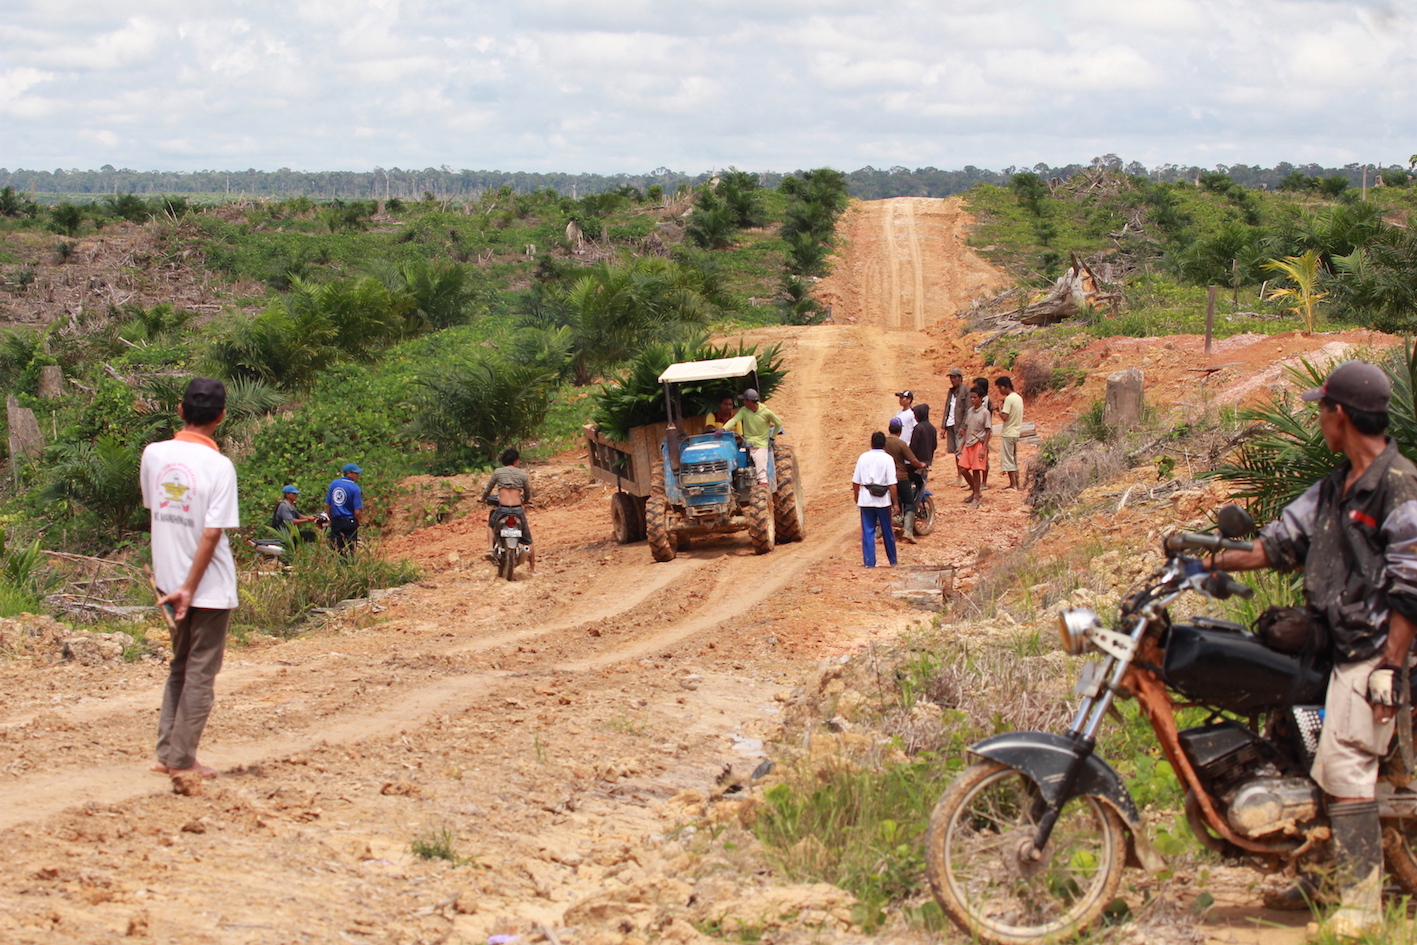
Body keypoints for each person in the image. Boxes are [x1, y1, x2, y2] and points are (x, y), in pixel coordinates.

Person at [1209, 361, 1417, 938]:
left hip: (1372, 646)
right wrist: (1201, 561)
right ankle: (1318, 875)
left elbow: (1412, 583)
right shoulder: (1334, 486)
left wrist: (1391, 666)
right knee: (1297, 750)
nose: (1319, 418)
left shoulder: (1397, 485)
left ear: (1340, 415)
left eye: (1322, 409)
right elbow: (1273, 544)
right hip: (1330, 641)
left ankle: (1360, 904)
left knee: (1346, 762)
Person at [139, 377, 239, 783]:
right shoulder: (219, 466)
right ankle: (183, 760)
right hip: (208, 588)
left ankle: (167, 753)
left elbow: (156, 510)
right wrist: (191, 589)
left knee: (179, 667)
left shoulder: (153, 455)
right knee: (201, 672)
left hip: (168, 580)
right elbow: (212, 533)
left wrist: (176, 586)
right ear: (221, 417)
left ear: (179, 411)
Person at [482, 447, 536, 576]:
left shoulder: (498, 472)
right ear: (516, 461)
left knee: (491, 525)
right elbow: (527, 492)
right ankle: (533, 569)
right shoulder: (522, 474)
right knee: (528, 540)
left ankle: (490, 548)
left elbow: (488, 489)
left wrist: (482, 498)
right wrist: (526, 501)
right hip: (517, 509)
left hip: (502, 509)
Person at [851, 431, 898, 568]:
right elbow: (892, 484)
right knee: (887, 529)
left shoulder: (863, 457)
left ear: (871, 443)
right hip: (883, 500)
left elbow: (855, 481)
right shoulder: (888, 459)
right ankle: (893, 561)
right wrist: (895, 503)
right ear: (884, 444)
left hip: (866, 498)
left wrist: (856, 496)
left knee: (868, 531)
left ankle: (869, 562)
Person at [723, 388, 784, 485]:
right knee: (738, 462)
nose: (743, 402)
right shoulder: (744, 410)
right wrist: (723, 429)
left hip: (760, 444)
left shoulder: (766, 412)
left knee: (761, 471)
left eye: (744, 400)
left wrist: (772, 438)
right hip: (747, 444)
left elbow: (778, 423)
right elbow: (734, 420)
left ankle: (763, 485)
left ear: (749, 401)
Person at [884, 417, 926, 542]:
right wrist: (921, 465)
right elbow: (912, 460)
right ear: (900, 431)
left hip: (886, 478)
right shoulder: (901, 444)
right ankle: (908, 531)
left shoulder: (883, 442)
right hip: (900, 477)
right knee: (909, 503)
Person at [958, 387, 991, 504]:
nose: (972, 400)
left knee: (976, 470)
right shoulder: (970, 411)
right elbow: (967, 428)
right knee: (963, 469)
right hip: (968, 443)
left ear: (981, 398)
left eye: (975, 397)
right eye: (971, 397)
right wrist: (961, 445)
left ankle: (976, 496)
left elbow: (988, 431)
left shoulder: (985, 413)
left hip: (978, 444)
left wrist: (984, 448)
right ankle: (975, 491)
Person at [326, 463, 364, 555]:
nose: (357, 475)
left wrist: (331, 518)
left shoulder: (334, 484)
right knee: (351, 548)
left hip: (336, 521)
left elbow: (327, 504)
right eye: (355, 473)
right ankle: (349, 565)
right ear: (349, 473)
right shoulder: (355, 488)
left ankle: (337, 566)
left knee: (336, 548)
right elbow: (357, 511)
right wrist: (358, 521)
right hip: (349, 521)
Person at [995, 377, 1025, 491]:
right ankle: (1017, 483)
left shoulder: (1008, 399)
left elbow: (1004, 417)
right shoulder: (1018, 398)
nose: (999, 391)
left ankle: (1013, 484)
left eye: (999, 388)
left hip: (1008, 432)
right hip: (1016, 431)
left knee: (1008, 459)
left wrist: (999, 407)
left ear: (1004, 386)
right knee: (1014, 458)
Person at [942, 369, 968, 485]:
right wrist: (943, 426)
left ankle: (964, 477)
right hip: (950, 424)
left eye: (954, 377)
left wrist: (963, 426)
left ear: (960, 378)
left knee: (960, 451)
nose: (952, 380)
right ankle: (959, 476)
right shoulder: (951, 392)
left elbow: (968, 410)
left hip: (959, 426)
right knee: (955, 452)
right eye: (951, 378)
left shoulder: (966, 391)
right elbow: (947, 409)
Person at [973, 377, 994, 490]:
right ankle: (978, 481)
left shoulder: (986, 401)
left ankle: (984, 482)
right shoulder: (978, 400)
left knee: (984, 455)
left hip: (983, 432)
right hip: (977, 431)